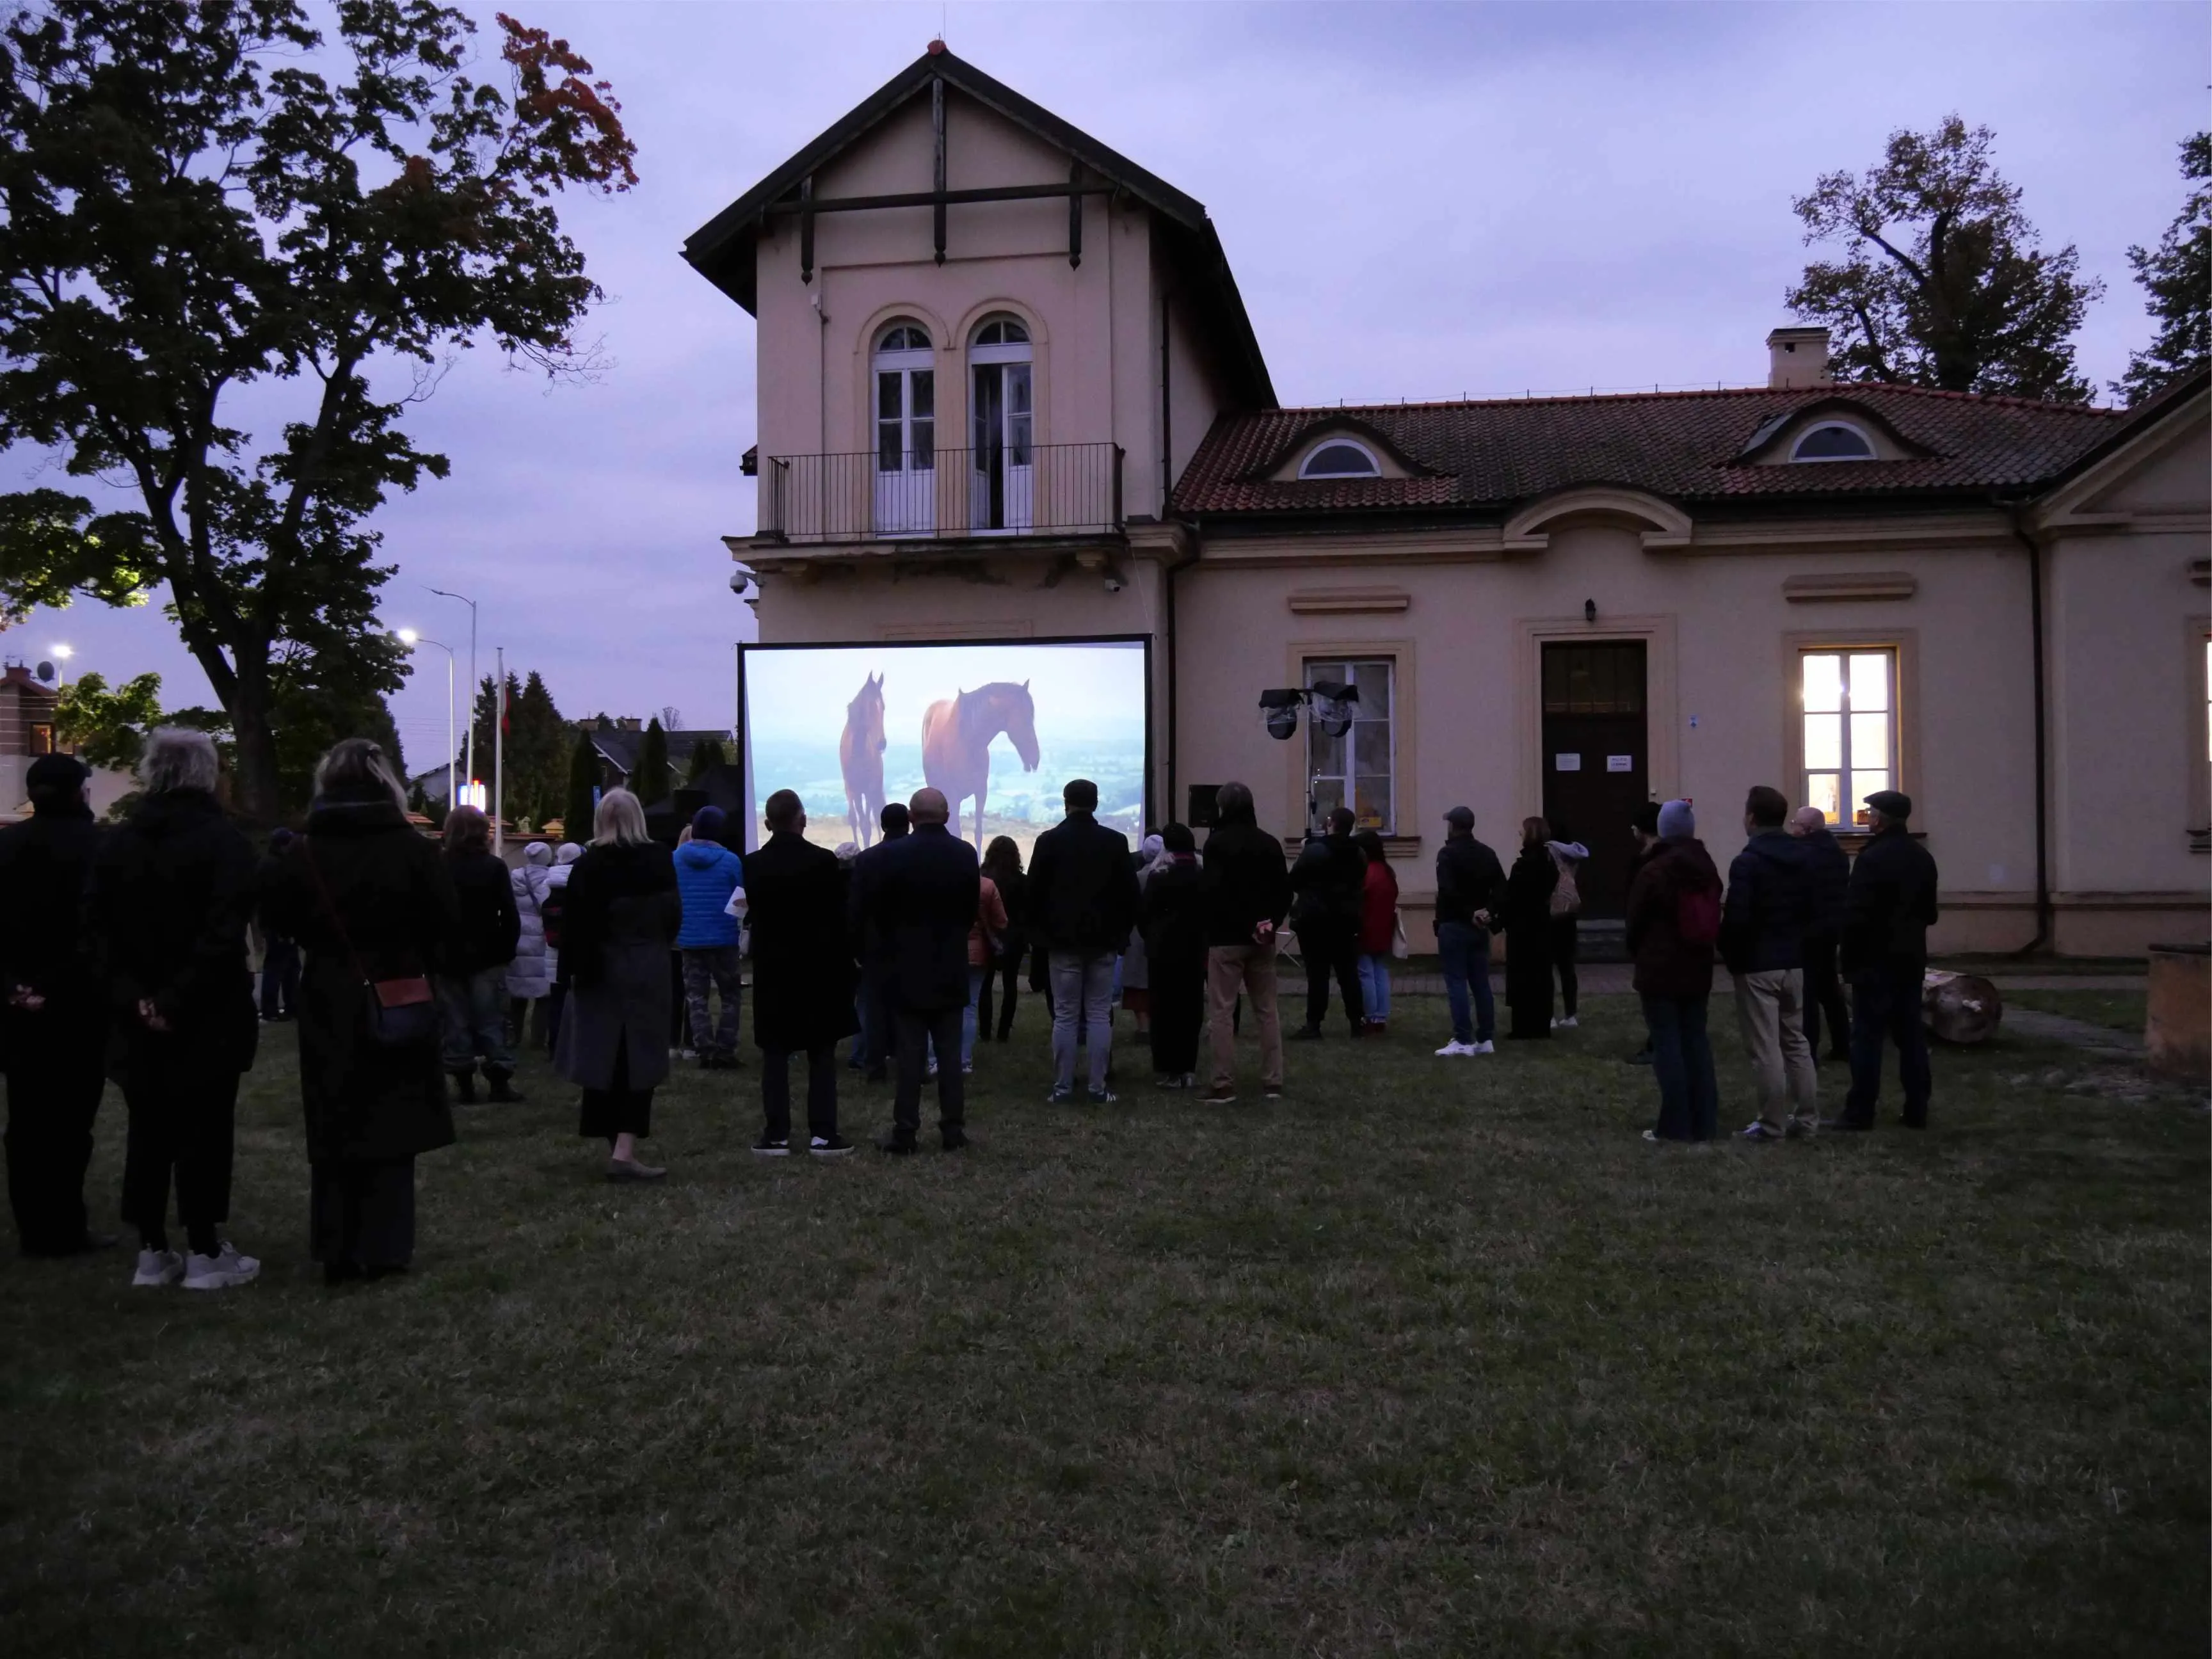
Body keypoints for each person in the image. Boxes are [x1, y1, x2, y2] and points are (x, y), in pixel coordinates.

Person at [260, 738, 458, 1283]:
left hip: (328, 992)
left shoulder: (301, 852)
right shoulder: (414, 849)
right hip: (399, 988)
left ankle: (337, 1246)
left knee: (334, 1120)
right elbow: (444, 922)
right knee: (393, 1124)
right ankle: (386, 1245)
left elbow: (279, 915)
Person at [85, 728, 260, 1291]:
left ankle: (153, 1249)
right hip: (205, 1009)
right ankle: (205, 1249)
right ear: (207, 773)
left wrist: (137, 996)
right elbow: (222, 931)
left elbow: (96, 933)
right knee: (205, 1129)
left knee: (149, 1128)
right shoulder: (224, 843)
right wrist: (174, 998)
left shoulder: (116, 844)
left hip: (135, 1012)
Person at [0, 753, 112, 1257]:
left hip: (18, 1007)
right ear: (78, 792)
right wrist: (55, 984)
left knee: (25, 1121)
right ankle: (65, 1224)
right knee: (71, 1122)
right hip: (78, 1004)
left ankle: (33, 1225)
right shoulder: (98, 849)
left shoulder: (6, 846)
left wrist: (15, 986)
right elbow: (98, 934)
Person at [555, 789, 682, 1180]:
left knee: (602, 1056)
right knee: (639, 1057)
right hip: (645, 966)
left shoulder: (588, 866)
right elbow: (672, 914)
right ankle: (625, 1149)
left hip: (599, 970)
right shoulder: (657, 858)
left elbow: (571, 928)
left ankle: (617, 1146)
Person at [863, 788, 979, 1152]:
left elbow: (878, 912)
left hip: (905, 966)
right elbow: (968, 910)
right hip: (949, 964)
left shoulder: (892, 856)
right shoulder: (964, 854)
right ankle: (953, 1131)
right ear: (947, 816)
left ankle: (906, 1131)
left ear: (912, 818)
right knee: (948, 1056)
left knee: (910, 1056)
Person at [742, 790, 858, 1157]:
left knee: (775, 1053)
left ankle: (776, 1135)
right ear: (802, 819)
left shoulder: (753, 865)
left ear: (767, 823)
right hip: (817, 969)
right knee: (821, 1052)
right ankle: (823, 1134)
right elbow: (838, 917)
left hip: (773, 970)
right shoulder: (823, 862)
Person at [1026, 779, 1140, 1104]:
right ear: (1096, 803)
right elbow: (1131, 896)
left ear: (1066, 803)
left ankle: (1062, 1087)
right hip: (1104, 942)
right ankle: (1097, 1087)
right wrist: (1120, 934)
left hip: (1061, 944)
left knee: (1065, 1015)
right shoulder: (1115, 842)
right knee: (1099, 1014)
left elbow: (1034, 894)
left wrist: (1041, 937)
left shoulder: (1048, 841)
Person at [1721, 785, 1819, 1142]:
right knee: (1796, 1042)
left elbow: (1737, 918)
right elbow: (1813, 909)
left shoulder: (1747, 862)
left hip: (1758, 963)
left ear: (1751, 818)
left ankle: (1771, 1124)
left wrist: (1730, 954)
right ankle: (1806, 1120)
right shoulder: (1806, 858)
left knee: (1766, 1048)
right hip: (1794, 961)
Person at [1837, 790, 1939, 1132]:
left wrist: (1847, 961)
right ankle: (1917, 1109)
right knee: (1910, 1036)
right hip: (1909, 960)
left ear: (1881, 818)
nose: (1867, 818)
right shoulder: (1922, 858)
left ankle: (1860, 1111)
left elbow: (1856, 915)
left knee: (1866, 1037)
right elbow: (1930, 913)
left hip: (1873, 961)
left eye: (1870, 812)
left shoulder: (1871, 859)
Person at [1626, 798, 1724, 1141]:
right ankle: (1705, 1121)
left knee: (1667, 1045)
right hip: (1697, 966)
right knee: (1696, 1041)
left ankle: (1675, 1126)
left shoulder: (1655, 869)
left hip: (1660, 968)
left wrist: (1639, 951)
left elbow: (1635, 921)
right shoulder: (1706, 866)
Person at [1199, 781, 1292, 1105]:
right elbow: (1285, 890)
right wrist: (1270, 923)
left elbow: (1214, 893)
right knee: (1267, 1009)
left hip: (1226, 938)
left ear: (1223, 807)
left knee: (1222, 1011)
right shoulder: (1269, 843)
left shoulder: (1217, 845)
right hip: (1263, 938)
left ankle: (1223, 1083)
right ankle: (1273, 1081)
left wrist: (1242, 925)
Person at [437, 806, 522, 1103]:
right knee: (492, 1019)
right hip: (487, 954)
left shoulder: (438, 866)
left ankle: (463, 1083)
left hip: (446, 956)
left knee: (455, 1021)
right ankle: (499, 1080)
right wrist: (506, 951)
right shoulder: (494, 867)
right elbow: (509, 915)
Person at [673, 805, 745, 1070]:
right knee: (730, 996)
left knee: (696, 996)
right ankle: (726, 1049)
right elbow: (740, 900)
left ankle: (705, 1050)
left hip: (689, 938)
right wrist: (735, 925)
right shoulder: (731, 861)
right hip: (723, 938)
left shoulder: (676, 858)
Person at [1433, 806, 1505, 1057]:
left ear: (1453, 826)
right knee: (1481, 984)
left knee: (1456, 983)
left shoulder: (1447, 854)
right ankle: (1486, 1038)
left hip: (1455, 924)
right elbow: (1501, 888)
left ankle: (1463, 1039)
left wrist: (1469, 913)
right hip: (1479, 928)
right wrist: (1488, 912)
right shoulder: (1487, 853)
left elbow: (1447, 891)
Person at [1288, 808, 1366, 1039]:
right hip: (1346, 919)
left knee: (1317, 975)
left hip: (1316, 921)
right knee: (1349, 973)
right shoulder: (1359, 852)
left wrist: (1304, 852)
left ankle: (1314, 1024)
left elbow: (1294, 880)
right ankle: (1356, 1022)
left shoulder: (1315, 851)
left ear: (1331, 823)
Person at [847, 801, 910, 1082]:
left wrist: (856, 946)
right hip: (913, 943)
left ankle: (874, 1066)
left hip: (876, 944)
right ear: (908, 823)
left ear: (882, 826)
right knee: (911, 1008)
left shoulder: (868, 858)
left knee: (874, 1008)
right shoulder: (918, 854)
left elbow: (857, 906)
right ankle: (911, 1064)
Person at [1141, 824, 1208, 1087]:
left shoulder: (1159, 876)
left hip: (1163, 951)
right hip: (1194, 949)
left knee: (1163, 1009)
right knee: (1191, 1009)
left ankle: (1169, 1068)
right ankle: (1187, 1067)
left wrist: (1153, 937)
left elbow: (1144, 915)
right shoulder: (1202, 875)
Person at [1788, 805, 1853, 1064]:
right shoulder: (1836, 853)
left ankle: (1809, 1050)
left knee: (1809, 993)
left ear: (1807, 829)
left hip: (1809, 930)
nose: (1791, 827)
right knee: (1829, 988)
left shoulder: (1803, 855)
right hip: (1830, 929)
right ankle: (1842, 1044)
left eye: (1795, 823)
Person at [1501, 817, 1559, 1039]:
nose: (1519, 834)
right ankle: (1542, 1024)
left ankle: (1523, 1027)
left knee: (1522, 976)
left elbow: (1512, 897)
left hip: (1523, 927)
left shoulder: (1524, 865)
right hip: (1542, 924)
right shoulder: (1548, 862)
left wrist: (1500, 920)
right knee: (1541, 975)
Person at [1622, 801, 1664, 1066]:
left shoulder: (1645, 864)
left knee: (1656, 1001)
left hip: (1653, 943)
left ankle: (1657, 1046)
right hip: (1680, 943)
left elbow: (1635, 906)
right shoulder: (1685, 856)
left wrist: (1634, 941)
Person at [975, 836, 1028, 1042]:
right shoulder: (1021, 880)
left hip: (987, 936)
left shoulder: (983, 879)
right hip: (1014, 937)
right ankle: (1004, 1032)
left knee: (985, 985)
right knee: (1010, 984)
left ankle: (985, 1032)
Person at [506, 840, 558, 1050]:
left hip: (520, 938)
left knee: (517, 995)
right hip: (542, 938)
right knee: (543, 995)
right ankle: (537, 1039)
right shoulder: (551, 880)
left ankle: (514, 1036)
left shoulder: (515, 877)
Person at [963, 858, 1010, 1073]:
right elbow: (1002, 921)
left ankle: (935, 1059)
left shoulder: (941, 881)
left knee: (941, 1007)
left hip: (946, 952)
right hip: (978, 951)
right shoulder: (988, 886)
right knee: (970, 1006)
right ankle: (964, 1061)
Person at [1352, 828, 1399, 1034]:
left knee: (1366, 974)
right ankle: (1381, 1016)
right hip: (1384, 928)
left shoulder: (1365, 873)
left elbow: (1359, 899)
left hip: (1365, 929)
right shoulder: (1387, 872)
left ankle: (1370, 1016)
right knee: (1380, 972)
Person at [1545, 819, 1589, 1030]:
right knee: (1567, 967)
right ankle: (1571, 1014)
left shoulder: (1549, 852)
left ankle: (1550, 1015)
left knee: (1547, 967)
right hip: (1569, 915)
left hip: (1551, 914)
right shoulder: (1573, 854)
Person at [1120, 832, 1164, 1036]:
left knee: (1138, 984)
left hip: (1138, 935)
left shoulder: (1137, 878)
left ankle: (1143, 1027)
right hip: (1160, 935)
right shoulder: (1166, 876)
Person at [541, 842, 582, 1054]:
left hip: (553, 950)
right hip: (577, 949)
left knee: (556, 1000)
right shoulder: (582, 879)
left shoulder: (549, 883)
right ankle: (575, 1045)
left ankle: (554, 1045)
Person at [257, 827, 301, 1023]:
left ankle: (285, 1006)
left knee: (287, 967)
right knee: (279, 968)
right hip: (281, 926)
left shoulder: (267, 864)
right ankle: (274, 1008)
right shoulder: (279, 867)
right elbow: (281, 901)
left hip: (274, 924)